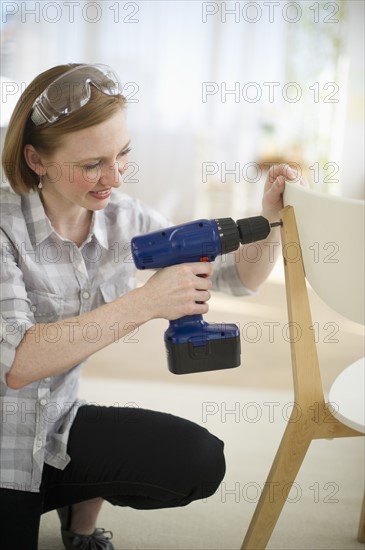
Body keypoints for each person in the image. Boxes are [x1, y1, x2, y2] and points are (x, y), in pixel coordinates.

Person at [0, 63, 303, 550]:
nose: (113, 177)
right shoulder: (4, 230)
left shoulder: (123, 220)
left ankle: (79, 522)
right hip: (3, 447)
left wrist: (268, 219)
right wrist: (146, 302)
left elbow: (234, 278)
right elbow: (18, 365)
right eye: (91, 164)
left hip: (56, 428)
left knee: (197, 460)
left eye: (122, 155)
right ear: (37, 161)